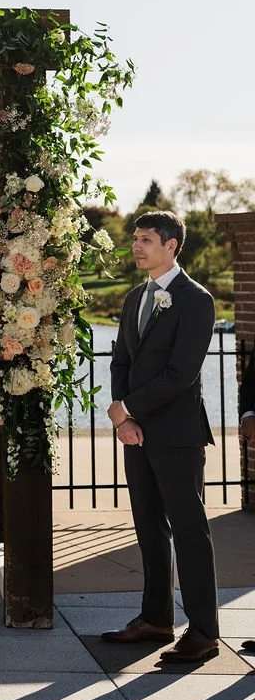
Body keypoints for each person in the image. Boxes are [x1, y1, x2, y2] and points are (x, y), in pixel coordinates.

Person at [103, 211, 219, 665]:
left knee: (190, 531)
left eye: (146, 239)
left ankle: (205, 630)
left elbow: (181, 374)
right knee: (149, 528)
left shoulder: (196, 300)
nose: (136, 246)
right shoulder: (135, 297)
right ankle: (155, 619)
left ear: (171, 246)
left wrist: (128, 408)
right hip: (138, 435)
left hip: (178, 435)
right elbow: (120, 364)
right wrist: (123, 420)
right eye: (135, 238)